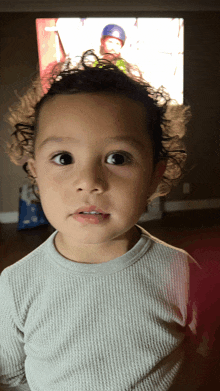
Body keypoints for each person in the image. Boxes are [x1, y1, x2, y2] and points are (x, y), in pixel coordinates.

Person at [0, 50, 215, 390]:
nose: (89, 181)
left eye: (117, 157)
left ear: (154, 178)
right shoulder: (15, 286)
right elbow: (11, 376)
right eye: (63, 157)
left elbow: (203, 355)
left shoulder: (182, 273)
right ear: (35, 173)